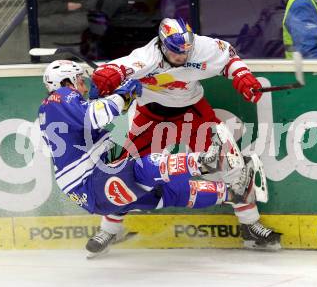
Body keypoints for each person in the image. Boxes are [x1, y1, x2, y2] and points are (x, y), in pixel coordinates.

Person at [38, 60, 280, 257]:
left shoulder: (62, 107)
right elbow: (96, 115)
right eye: (80, 80)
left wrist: (123, 96)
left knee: (169, 192)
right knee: (140, 168)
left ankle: (233, 193)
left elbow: (96, 117)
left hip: (99, 187)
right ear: (66, 81)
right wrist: (122, 95)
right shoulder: (58, 98)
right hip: (92, 181)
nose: (82, 85)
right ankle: (206, 161)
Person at [87, 17, 281, 254]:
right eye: (177, 52)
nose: (183, 57)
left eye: (186, 50)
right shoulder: (146, 57)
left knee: (229, 159)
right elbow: (118, 69)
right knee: (128, 172)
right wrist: (107, 76)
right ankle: (110, 229)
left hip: (192, 110)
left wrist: (242, 77)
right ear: (162, 45)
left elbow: (229, 59)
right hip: (149, 117)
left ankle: (250, 225)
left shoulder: (201, 46)